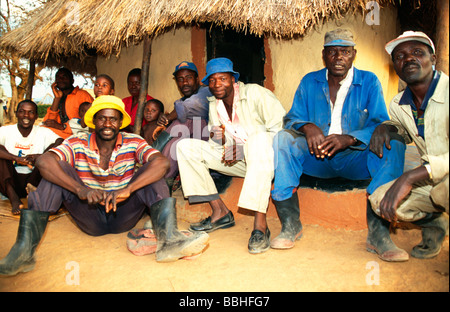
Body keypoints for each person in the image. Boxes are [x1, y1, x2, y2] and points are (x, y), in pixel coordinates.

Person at [0, 95, 209, 276]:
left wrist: (128, 189)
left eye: (113, 119)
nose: (107, 124)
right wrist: (80, 189)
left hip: (123, 213)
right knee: (56, 171)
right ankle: (24, 252)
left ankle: (169, 242)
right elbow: (44, 161)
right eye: (102, 118)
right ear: (94, 121)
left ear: (120, 122)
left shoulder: (133, 141)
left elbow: (162, 163)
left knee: (152, 172)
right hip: (88, 213)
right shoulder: (76, 142)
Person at [270, 29, 406, 253]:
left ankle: (378, 234)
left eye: (344, 51)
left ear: (353, 55)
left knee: (395, 143)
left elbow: (380, 123)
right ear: (324, 55)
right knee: (283, 139)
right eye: (332, 52)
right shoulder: (309, 81)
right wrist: (307, 126)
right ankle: (290, 225)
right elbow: (291, 118)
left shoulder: (369, 81)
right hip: (317, 158)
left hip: (355, 159)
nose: (338, 57)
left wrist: (349, 138)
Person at [176, 57, 286, 254]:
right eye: (212, 80)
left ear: (233, 79)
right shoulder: (213, 105)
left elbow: (280, 131)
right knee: (185, 146)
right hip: (240, 162)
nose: (217, 84)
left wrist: (244, 148)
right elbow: (218, 144)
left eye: (223, 79)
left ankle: (260, 226)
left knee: (258, 140)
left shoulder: (256, 93)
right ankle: (220, 212)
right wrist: (217, 139)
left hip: (267, 159)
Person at [368, 31, 449, 261]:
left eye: (417, 52)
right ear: (395, 66)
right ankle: (435, 222)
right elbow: (402, 130)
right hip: (433, 178)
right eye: (400, 56)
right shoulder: (398, 103)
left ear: (433, 59)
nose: (408, 59)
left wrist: (410, 177)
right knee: (380, 200)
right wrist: (385, 127)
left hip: (442, 175)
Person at [0, 100, 62, 215]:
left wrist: (42, 156)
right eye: (22, 112)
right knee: (1, 155)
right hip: (11, 181)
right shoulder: (6, 130)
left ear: (36, 116)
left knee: (49, 156)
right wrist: (16, 158)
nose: (26, 116)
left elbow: (60, 141)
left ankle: (34, 192)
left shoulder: (42, 132)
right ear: (16, 113)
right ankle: (13, 198)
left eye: (31, 112)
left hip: (33, 180)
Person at [157, 61, 211, 183]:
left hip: (211, 142)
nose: (185, 82)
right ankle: (165, 179)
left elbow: (186, 109)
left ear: (197, 79)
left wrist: (169, 118)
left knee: (191, 120)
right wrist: (163, 122)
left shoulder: (206, 92)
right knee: (175, 142)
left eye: (188, 78)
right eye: (180, 79)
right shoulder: (182, 100)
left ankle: (158, 155)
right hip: (188, 142)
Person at [42, 67, 94, 138]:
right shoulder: (59, 97)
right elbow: (49, 121)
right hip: (62, 135)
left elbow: (91, 122)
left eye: (64, 77)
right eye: (58, 77)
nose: (60, 79)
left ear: (72, 81)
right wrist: (57, 98)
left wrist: (62, 127)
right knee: (41, 130)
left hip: (79, 136)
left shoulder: (82, 95)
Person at [122, 68, 153, 132]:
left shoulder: (150, 103)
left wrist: (127, 126)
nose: (133, 86)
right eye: (130, 83)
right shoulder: (123, 102)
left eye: (137, 83)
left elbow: (149, 131)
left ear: (144, 84)